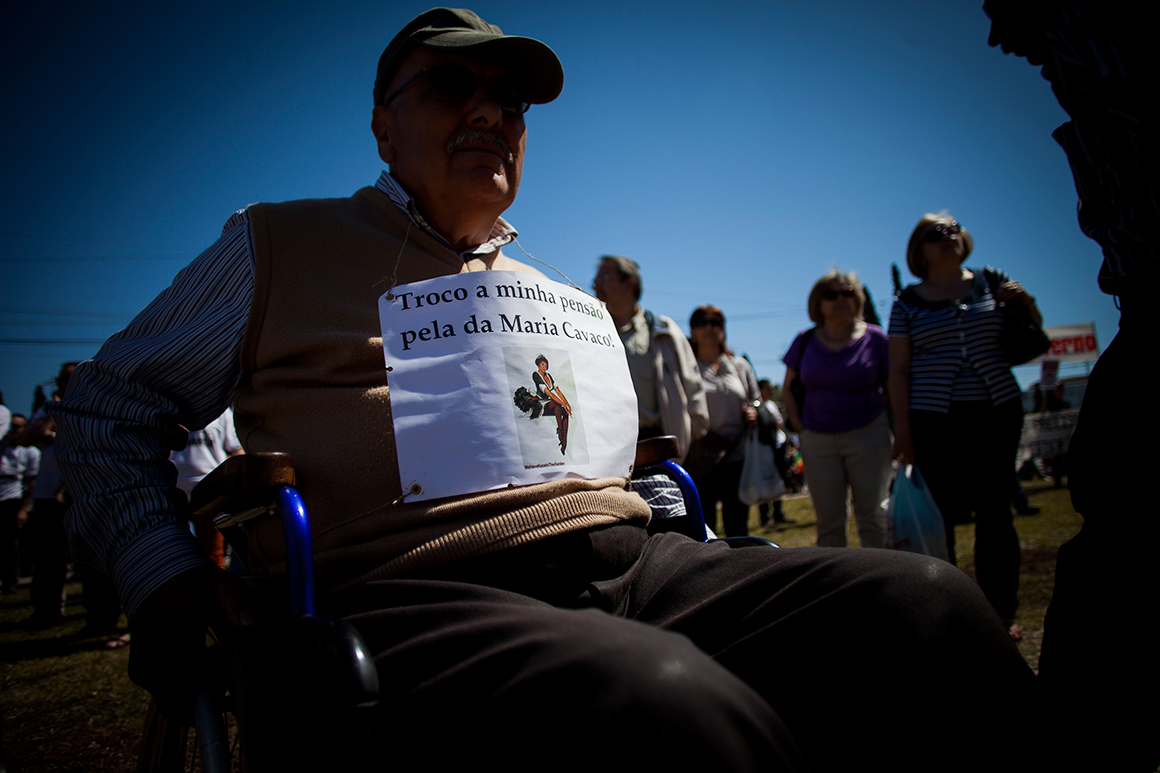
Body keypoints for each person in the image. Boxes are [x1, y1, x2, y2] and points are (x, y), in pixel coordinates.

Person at [48, 9, 1037, 771]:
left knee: (931, 607)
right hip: (409, 587)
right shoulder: (278, 243)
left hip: (633, 562)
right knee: (661, 701)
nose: (489, 111)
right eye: (451, 84)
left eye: (510, 100)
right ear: (383, 126)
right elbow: (108, 405)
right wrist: (162, 572)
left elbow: (595, 455)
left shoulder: (554, 294)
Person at [985, 3, 1158, 770]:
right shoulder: (1085, 64)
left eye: (1001, 7)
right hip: (1143, 305)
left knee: (1110, 535)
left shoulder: (1111, 43)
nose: (998, 36)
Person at [888, 213, 1040, 639]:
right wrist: (903, 430)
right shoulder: (907, 302)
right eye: (936, 233)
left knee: (996, 512)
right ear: (919, 250)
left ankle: (1000, 613)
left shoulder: (992, 281)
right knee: (942, 519)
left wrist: (1025, 300)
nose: (948, 236)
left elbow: (1032, 330)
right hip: (935, 420)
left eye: (953, 229)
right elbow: (897, 370)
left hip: (997, 411)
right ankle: (949, 615)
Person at [782, 271, 892, 548]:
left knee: (873, 517)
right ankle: (836, 575)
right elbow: (788, 388)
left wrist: (900, 430)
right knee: (829, 523)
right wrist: (800, 428)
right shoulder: (804, 340)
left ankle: (880, 574)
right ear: (818, 303)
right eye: (831, 295)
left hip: (869, 436)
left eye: (848, 293)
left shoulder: (875, 338)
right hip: (817, 441)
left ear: (858, 299)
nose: (841, 299)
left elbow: (893, 387)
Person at [592, 255, 708, 462]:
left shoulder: (664, 330)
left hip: (659, 449)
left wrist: (688, 443)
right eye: (596, 279)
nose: (595, 285)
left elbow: (692, 388)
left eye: (604, 278)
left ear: (629, 283)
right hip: (609, 450)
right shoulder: (590, 331)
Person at [686, 305, 760, 538]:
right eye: (701, 323)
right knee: (704, 526)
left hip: (736, 455)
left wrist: (754, 412)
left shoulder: (739, 366)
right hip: (701, 456)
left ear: (723, 330)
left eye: (715, 322)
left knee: (738, 525)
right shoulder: (685, 367)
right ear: (692, 331)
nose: (709, 327)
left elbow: (757, 400)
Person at [169, 408, 244, 569]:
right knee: (171, 556)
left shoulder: (221, 411)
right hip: (172, 491)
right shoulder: (167, 406)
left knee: (212, 555)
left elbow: (236, 451)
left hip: (209, 491)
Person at [0, 415, 39, 594]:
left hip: (13, 500)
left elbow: (31, 483)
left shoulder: (30, 452)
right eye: (10, 426)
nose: (11, 431)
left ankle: (11, 581)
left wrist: (24, 508)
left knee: (10, 544)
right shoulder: (2, 449)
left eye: (16, 426)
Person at [756, 379, 793, 526]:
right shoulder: (757, 406)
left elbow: (779, 424)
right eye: (768, 388)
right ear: (760, 389)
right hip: (765, 449)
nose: (771, 390)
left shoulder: (771, 404)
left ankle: (778, 513)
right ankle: (765, 516)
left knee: (779, 479)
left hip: (778, 445)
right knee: (765, 480)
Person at [532, 355, 570, 454]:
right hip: (541, 403)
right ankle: (560, 431)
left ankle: (564, 441)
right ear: (538, 365)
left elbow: (558, 391)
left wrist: (567, 405)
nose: (544, 367)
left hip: (551, 402)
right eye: (542, 365)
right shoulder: (536, 375)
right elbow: (549, 393)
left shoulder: (548, 376)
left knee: (563, 411)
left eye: (546, 365)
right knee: (557, 404)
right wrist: (563, 403)